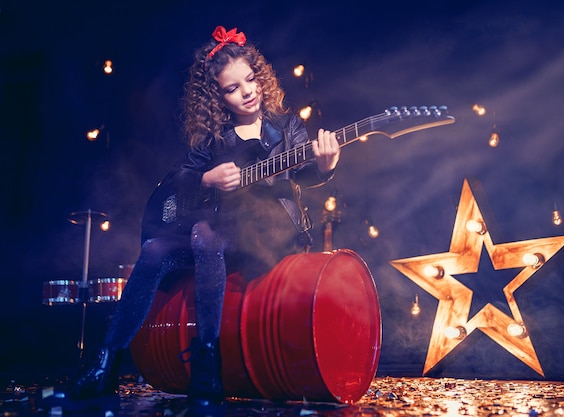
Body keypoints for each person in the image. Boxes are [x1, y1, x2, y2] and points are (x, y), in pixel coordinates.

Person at [39, 25, 340, 414]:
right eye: (233, 88)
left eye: (250, 80)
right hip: (216, 237)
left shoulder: (285, 127)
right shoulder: (214, 139)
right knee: (154, 250)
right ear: (217, 97)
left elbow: (305, 173)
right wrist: (205, 178)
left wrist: (326, 165)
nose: (247, 91)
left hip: (268, 235)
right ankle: (105, 363)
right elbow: (181, 179)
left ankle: (206, 362)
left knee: (202, 232)